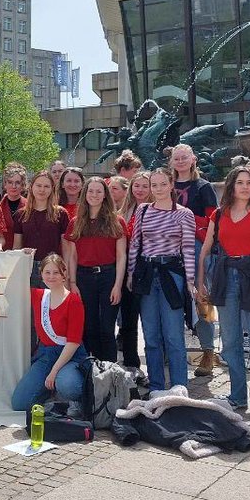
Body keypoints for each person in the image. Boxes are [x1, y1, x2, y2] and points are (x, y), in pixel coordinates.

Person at [197, 166, 250, 418]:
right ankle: (237, 397)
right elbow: (206, 250)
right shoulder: (219, 215)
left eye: (249, 183)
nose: (245, 187)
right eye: (240, 182)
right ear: (231, 186)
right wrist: (200, 282)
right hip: (225, 276)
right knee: (230, 343)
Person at [127, 167, 196, 391]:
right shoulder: (143, 210)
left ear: (171, 185)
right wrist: (130, 273)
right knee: (151, 334)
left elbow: (188, 248)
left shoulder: (184, 213)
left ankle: (179, 386)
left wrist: (190, 281)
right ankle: (156, 385)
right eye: (153, 185)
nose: (158, 189)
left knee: (174, 334)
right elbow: (135, 243)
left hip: (171, 274)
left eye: (162, 184)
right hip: (147, 273)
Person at [11, 254, 89, 416]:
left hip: (69, 356)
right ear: (41, 274)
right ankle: (49, 395)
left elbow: (73, 342)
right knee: (19, 403)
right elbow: (9, 286)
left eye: (56, 273)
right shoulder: (38, 296)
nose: (51, 277)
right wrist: (19, 257)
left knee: (68, 386)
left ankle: (71, 396)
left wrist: (53, 371)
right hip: (45, 355)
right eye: (47, 272)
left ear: (64, 274)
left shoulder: (74, 301)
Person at [170, 144, 220, 376]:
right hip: (169, 247)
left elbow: (213, 221)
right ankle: (172, 352)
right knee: (172, 300)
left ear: (193, 160)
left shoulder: (203, 187)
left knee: (201, 298)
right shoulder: (166, 184)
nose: (180, 162)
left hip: (197, 247)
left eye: (184, 158)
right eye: (176, 158)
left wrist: (186, 220)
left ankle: (208, 352)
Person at [67, 176, 127, 364]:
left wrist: (118, 285)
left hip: (108, 276)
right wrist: (72, 283)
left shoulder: (116, 221)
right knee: (89, 327)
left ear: (105, 195)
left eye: (98, 191)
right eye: (91, 191)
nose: (94, 195)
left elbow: (121, 256)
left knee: (106, 328)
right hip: (84, 277)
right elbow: (73, 255)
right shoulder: (76, 222)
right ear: (85, 195)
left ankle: (109, 372)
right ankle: (91, 370)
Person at [113, 172, 147, 372]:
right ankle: (131, 362)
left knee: (152, 321)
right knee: (128, 319)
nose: (140, 190)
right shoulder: (122, 212)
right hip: (127, 268)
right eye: (137, 186)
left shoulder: (156, 209)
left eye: (145, 186)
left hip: (149, 267)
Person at [13, 170, 72, 286]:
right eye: (38, 185)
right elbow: (17, 246)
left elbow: (66, 248)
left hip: (53, 268)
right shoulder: (20, 215)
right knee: (30, 304)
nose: (42, 190)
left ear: (52, 189)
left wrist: (66, 273)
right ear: (31, 187)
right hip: (28, 267)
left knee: (52, 303)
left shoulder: (60, 213)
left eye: (46, 186)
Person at [0, 164, 27, 247]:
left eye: (17, 183)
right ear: (5, 184)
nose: (13, 186)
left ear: (23, 185)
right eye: (10, 182)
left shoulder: (30, 206)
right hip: (2, 253)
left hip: (24, 253)